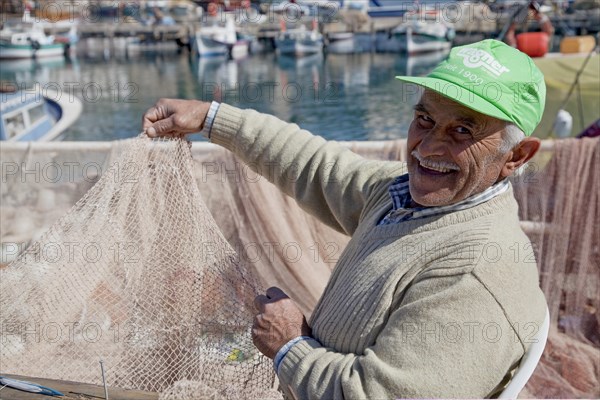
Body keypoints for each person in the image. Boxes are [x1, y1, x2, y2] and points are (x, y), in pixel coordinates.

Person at [142, 39, 548, 398]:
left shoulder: (474, 272)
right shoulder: (402, 194)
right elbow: (317, 167)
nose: (429, 146)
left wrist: (290, 346)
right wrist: (211, 117)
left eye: (462, 131)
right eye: (424, 119)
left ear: (515, 156)